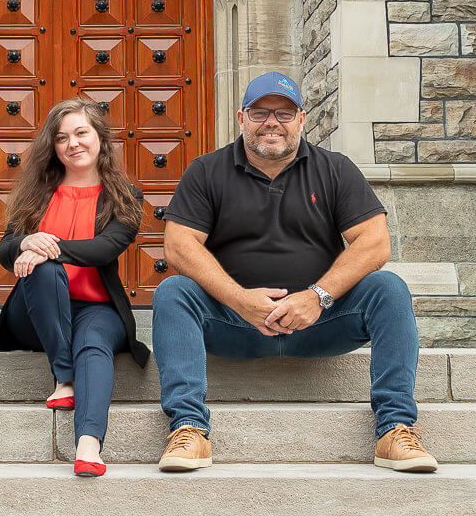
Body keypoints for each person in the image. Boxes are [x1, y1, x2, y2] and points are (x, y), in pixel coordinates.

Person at [154, 72, 437, 473]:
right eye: (260, 112)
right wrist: (240, 301)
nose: (272, 122)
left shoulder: (335, 169)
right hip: (234, 324)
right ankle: (189, 430)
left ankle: (395, 429)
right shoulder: (207, 170)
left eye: (284, 113)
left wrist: (316, 297)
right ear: (241, 118)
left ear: (302, 119)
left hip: (320, 322)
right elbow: (179, 246)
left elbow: (376, 243)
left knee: (388, 287)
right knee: (173, 291)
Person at [0, 99, 150, 477]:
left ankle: (88, 445)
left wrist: (46, 245)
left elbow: (105, 248)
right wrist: (26, 244)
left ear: (99, 138)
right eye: (62, 137)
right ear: (53, 146)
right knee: (41, 271)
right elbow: (5, 249)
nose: (72, 143)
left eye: (81, 133)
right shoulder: (37, 192)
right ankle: (64, 376)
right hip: (37, 310)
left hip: (97, 307)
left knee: (94, 342)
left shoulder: (126, 196)